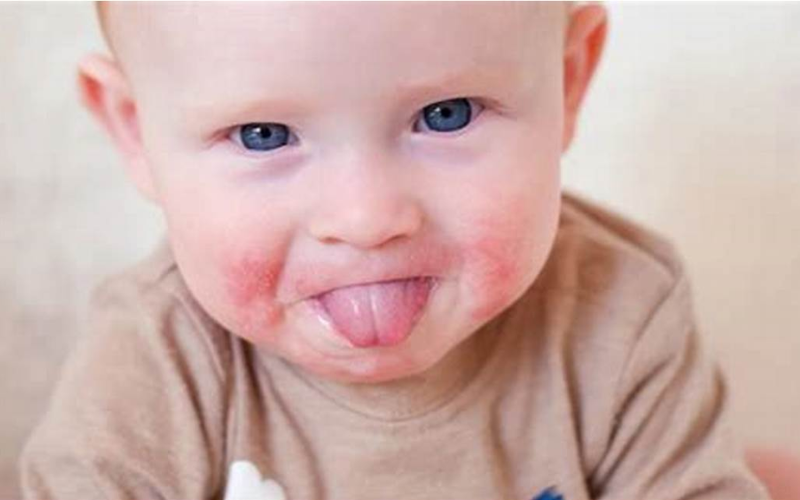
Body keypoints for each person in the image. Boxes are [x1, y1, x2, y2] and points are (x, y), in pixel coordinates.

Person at [19, 3, 774, 499]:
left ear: (569, 81)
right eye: (264, 136)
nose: (365, 218)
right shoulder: (158, 363)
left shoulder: (620, 310)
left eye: (445, 116)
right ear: (133, 129)